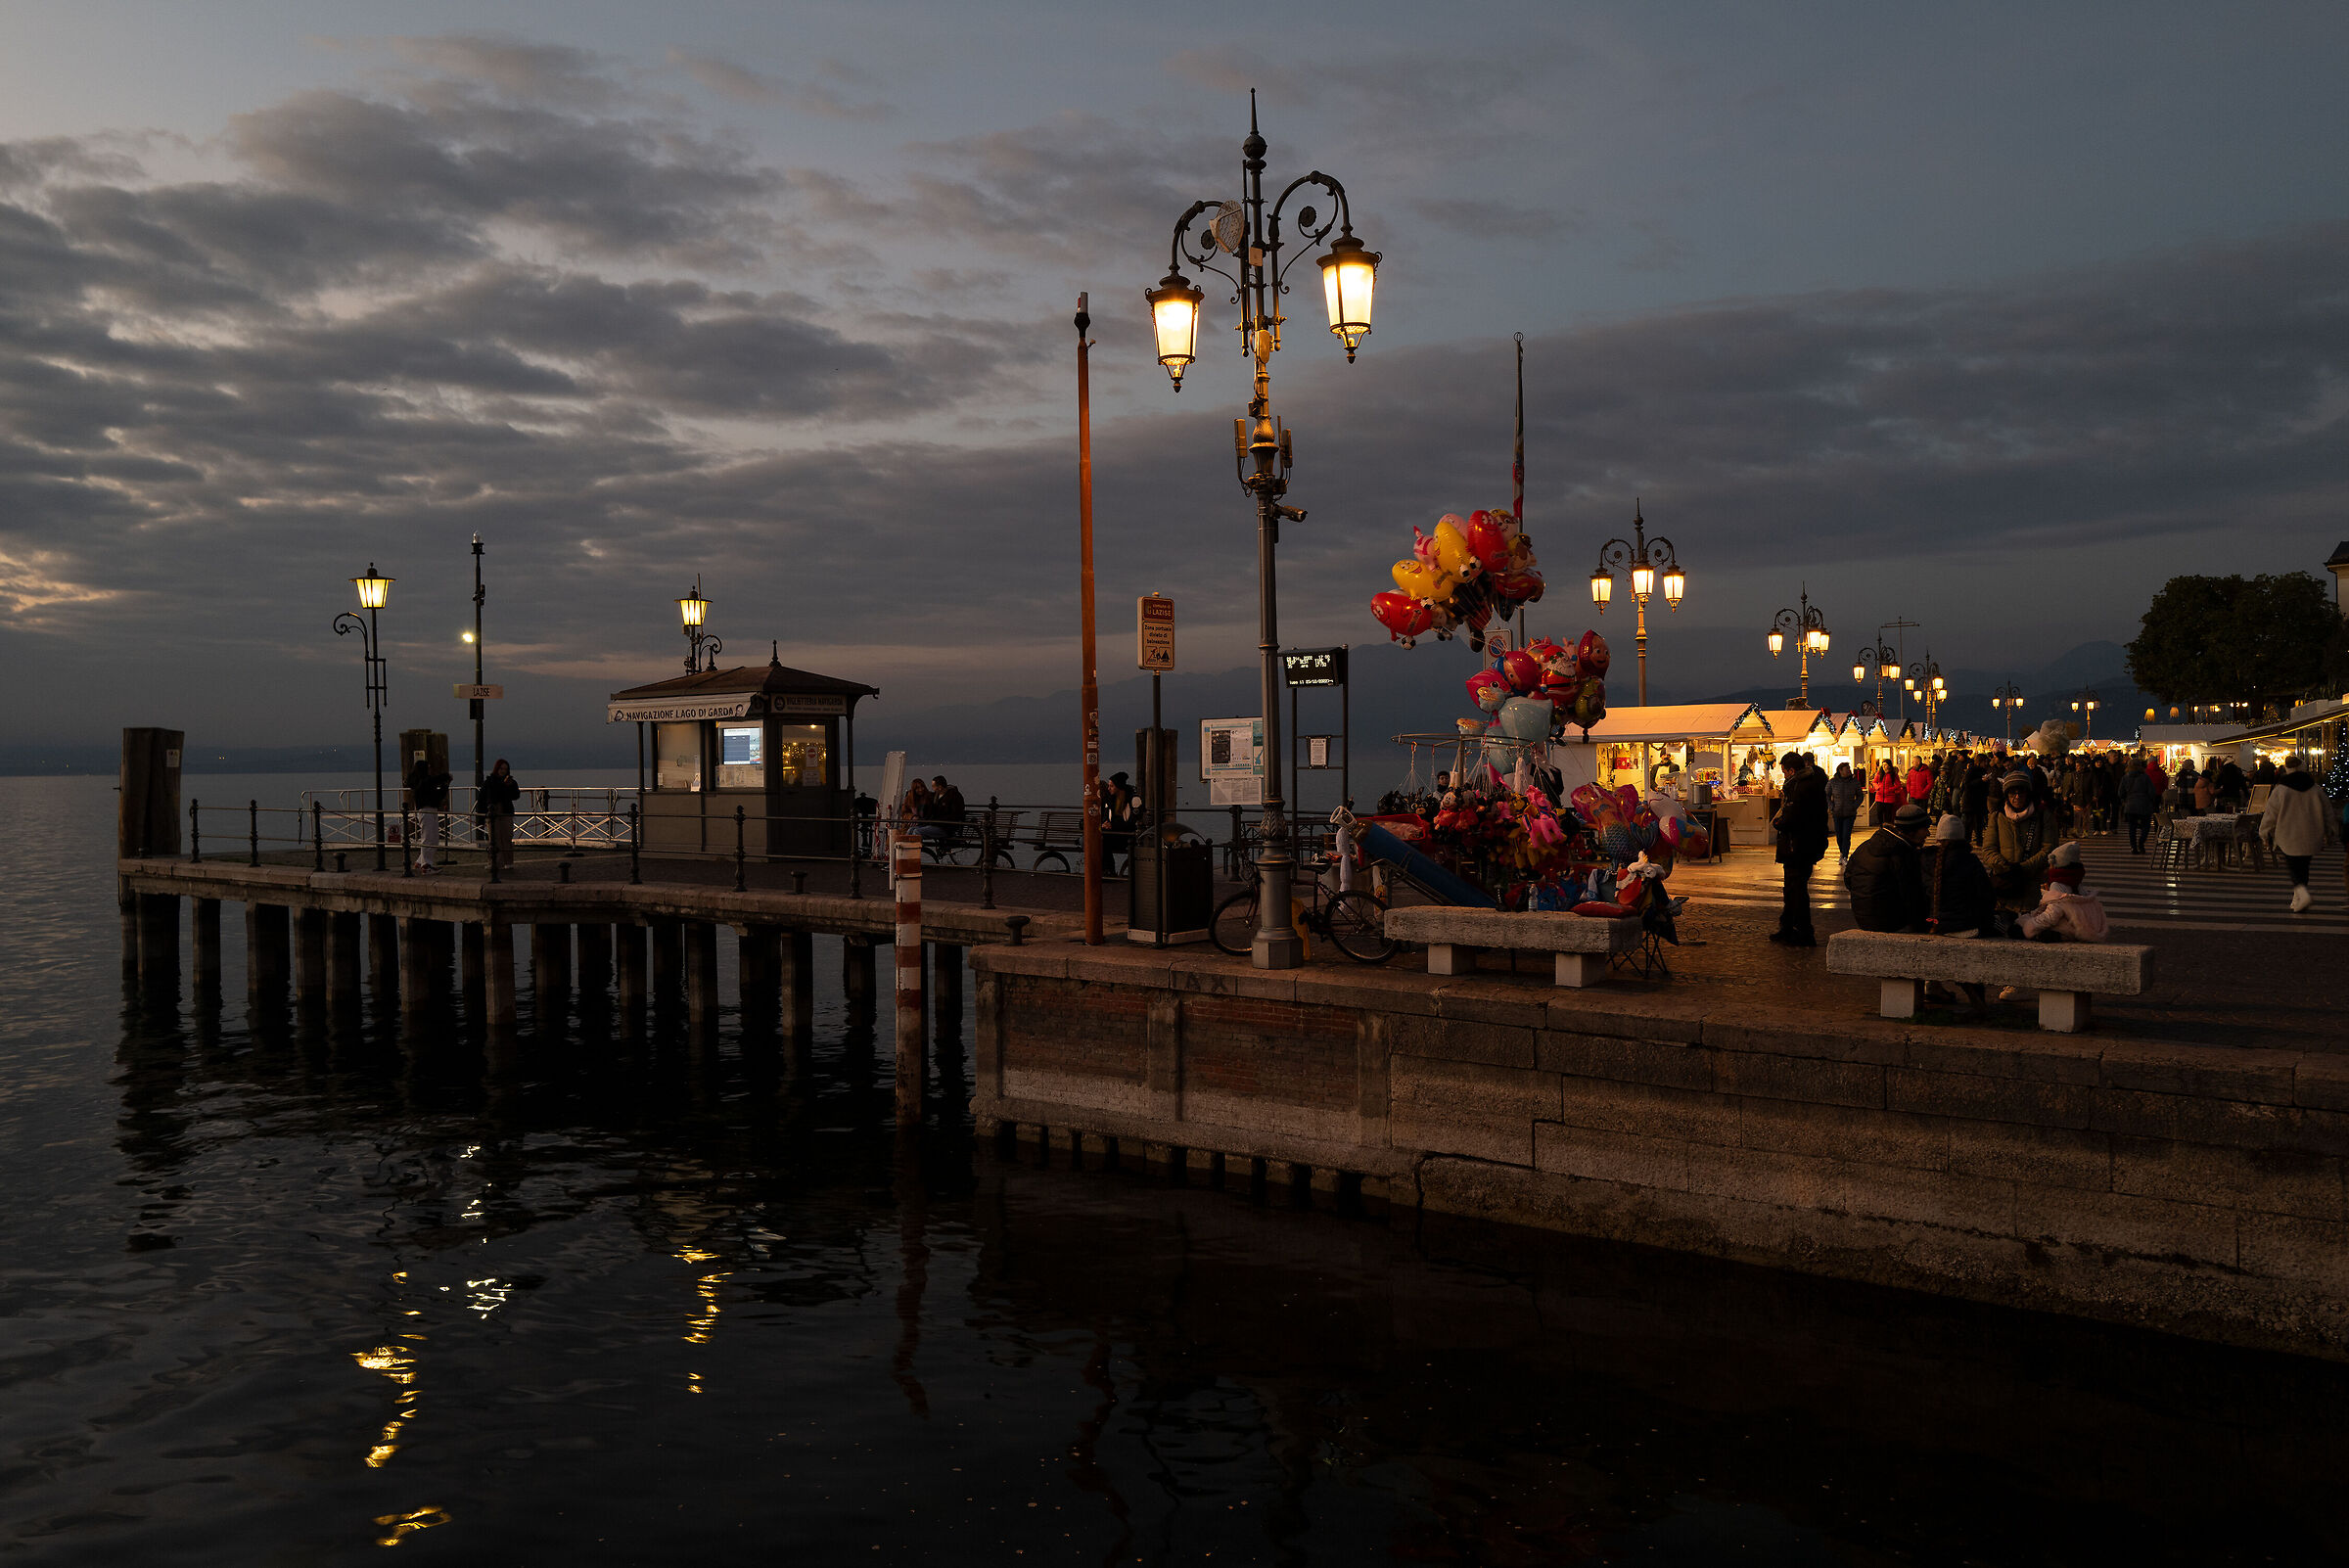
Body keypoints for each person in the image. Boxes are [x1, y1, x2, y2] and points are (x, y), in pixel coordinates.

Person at [1980, 770, 2059, 934]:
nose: (2017, 797)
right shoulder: (1997, 816)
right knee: (2006, 935)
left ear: (2028, 793)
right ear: (2006, 795)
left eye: (2021, 792)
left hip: (2033, 890)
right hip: (2005, 890)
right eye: (2012, 793)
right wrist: (2006, 866)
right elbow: (1988, 849)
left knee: (2031, 934)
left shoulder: (2043, 815)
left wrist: (2024, 867)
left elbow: (2049, 848)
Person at [1771, 750, 1829, 947]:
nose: (1784, 775)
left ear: (1792, 770)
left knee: (1797, 889)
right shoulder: (1811, 783)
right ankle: (1787, 926)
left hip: (1799, 845)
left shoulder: (1801, 787)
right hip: (1805, 844)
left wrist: (1779, 823)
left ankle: (1804, 931)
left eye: (1785, 771)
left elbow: (1794, 816)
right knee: (1792, 888)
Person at [2260, 755, 2331, 913]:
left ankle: (2302, 895)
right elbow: (2328, 812)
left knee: (2293, 866)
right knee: (2304, 866)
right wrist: (2330, 831)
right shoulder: (2315, 788)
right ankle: (2297, 899)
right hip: (2311, 833)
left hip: (2287, 834)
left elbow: (2270, 814)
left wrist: (2264, 833)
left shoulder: (2280, 789)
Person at [1845, 801, 1931, 932]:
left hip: (1863, 919)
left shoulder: (1865, 846)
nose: (1928, 834)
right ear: (1911, 831)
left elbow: (1848, 880)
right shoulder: (1903, 855)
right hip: (1890, 923)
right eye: (1925, 828)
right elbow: (1912, 898)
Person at [1924, 811, 1997, 938]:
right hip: (1965, 924)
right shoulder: (1970, 860)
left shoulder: (1926, 859)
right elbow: (1987, 895)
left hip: (1936, 924)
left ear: (1938, 838)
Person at [2019, 842, 2110, 943]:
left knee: (2029, 922)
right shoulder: (2077, 884)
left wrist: (2029, 926)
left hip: (2072, 929)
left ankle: (2057, 935)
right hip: (2087, 928)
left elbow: (2051, 915)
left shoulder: (2057, 885)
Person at [406, 752, 451, 872]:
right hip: (426, 811)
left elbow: (436, 795)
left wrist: (444, 786)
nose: (431, 769)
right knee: (428, 838)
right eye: (429, 767)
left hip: (430, 810)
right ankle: (426, 865)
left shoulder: (423, 783)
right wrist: (445, 779)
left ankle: (420, 861)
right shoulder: (423, 783)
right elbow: (434, 787)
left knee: (433, 838)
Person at [480, 758, 520, 870]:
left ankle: (508, 861)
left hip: (506, 811)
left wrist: (510, 786)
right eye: (501, 768)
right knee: (494, 838)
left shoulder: (511, 782)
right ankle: (495, 862)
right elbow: (484, 798)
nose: (503, 771)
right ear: (497, 769)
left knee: (507, 837)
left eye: (505, 769)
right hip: (493, 812)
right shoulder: (490, 781)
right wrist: (481, 817)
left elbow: (516, 795)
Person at [2120, 760, 2160, 853]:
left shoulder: (2125, 778)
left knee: (2132, 827)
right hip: (2144, 805)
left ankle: (2133, 847)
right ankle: (2141, 842)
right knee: (2146, 826)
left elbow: (2120, 793)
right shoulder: (2145, 777)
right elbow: (2152, 792)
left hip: (2130, 806)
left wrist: (2125, 799)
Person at [1824, 761, 1863, 858]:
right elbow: (1827, 795)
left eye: (1849, 769)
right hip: (1837, 813)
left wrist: (1854, 806)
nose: (1849, 771)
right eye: (1847, 769)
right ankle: (1842, 852)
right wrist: (1831, 806)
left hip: (1850, 813)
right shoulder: (1833, 782)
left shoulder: (1854, 782)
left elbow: (1860, 796)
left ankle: (1845, 856)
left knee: (1846, 835)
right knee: (1839, 836)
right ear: (1840, 771)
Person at [1871, 761, 1902, 827]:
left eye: (1885, 765)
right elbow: (1874, 782)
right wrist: (1877, 787)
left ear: (1889, 766)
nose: (1883, 766)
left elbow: (1898, 785)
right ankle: (1881, 826)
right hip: (1879, 796)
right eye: (1883, 765)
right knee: (1879, 813)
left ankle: (1887, 827)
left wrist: (1890, 789)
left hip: (1889, 797)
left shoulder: (1893, 775)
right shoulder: (1879, 773)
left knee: (1888, 814)